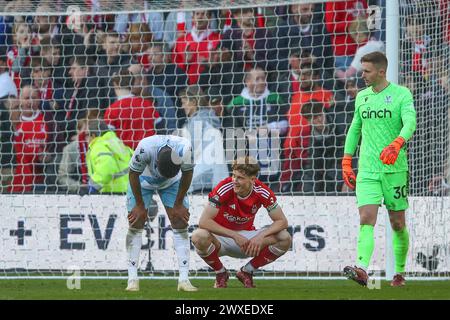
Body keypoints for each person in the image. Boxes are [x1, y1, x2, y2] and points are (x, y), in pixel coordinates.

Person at [342, 52, 417, 287]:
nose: (362, 75)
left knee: (397, 223)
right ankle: (361, 268)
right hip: (367, 170)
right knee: (366, 218)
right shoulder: (362, 97)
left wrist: (397, 143)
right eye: (362, 70)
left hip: (394, 170)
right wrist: (346, 160)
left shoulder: (401, 94)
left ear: (381, 71)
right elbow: (355, 128)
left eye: (366, 71)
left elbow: (410, 122)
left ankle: (399, 272)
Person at [191, 157, 291, 288]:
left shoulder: (262, 192)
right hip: (221, 240)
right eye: (234, 175)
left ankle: (247, 271)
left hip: (247, 241)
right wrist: (234, 235)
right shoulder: (224, 188)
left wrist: (260, 237)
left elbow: (282, 221)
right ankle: (220, 272)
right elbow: (204, 222)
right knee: (198, 236)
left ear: (253, 179)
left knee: (285, 237)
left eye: (240, 178)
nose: (235, 181)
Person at [125, 135, 197, 292]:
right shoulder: (145, 148)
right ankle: (132, 279)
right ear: (156, 162)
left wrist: (178, 204)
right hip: (142, 181)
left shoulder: (185, 149)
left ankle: (184, 280)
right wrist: (139, 205)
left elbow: (187, 173)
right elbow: (133, 173)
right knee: (136, 221)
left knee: (180, 221)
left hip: (172, 183)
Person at [178, 85, 229, 192]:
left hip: (200, 176)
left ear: (193, 102)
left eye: (184, 102)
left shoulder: (197, 121)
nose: (182, 107)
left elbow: (189, 152)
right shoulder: (208, 119)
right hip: (215, 177)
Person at [86, 120, 133, 194]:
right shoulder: (117, 143)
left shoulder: (99, 146)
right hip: (130, 189)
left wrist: (93, 186)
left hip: (113, 192)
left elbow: (107, 167)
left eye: (87, 135)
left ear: (93, 135)